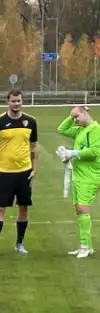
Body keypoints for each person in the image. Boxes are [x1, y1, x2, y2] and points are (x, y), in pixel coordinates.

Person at [0, 88, 38, 256]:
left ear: (22, 101)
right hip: (5, 172)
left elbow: (34, 147)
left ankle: (19, 243)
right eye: (13, 101)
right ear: (7, 102)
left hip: (24, 172)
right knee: (0, 208)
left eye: (19, 101)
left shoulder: (30, 122)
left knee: (23, 207)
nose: (16, 104)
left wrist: (34, 168)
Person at [56, 105, 100, 258]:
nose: (74, 121)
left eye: (77, 117)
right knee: (79, 210)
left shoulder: (95, 129)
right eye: (73, 118)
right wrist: (71, 115)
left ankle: (85, 247)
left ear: (85, 112)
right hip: (79, 175)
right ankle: (86, 246)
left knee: (82, 209)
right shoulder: (81, 130)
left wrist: (72, 153)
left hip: (90, 176)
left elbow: (95, 152)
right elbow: (61, 129)